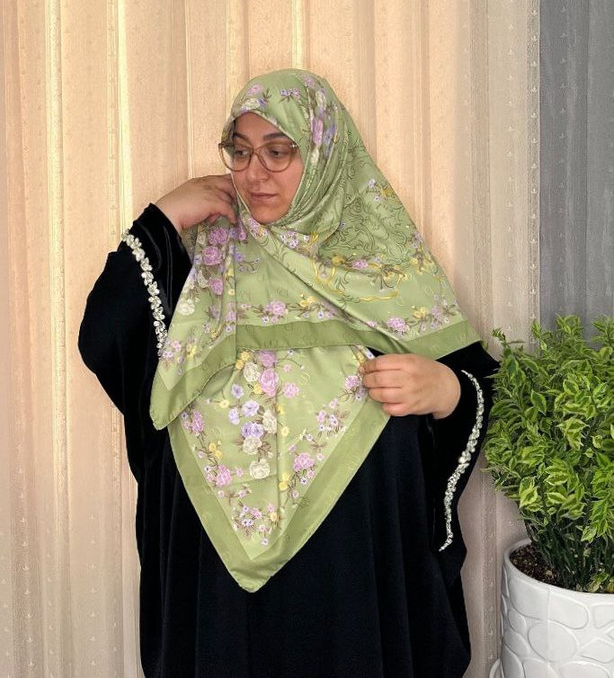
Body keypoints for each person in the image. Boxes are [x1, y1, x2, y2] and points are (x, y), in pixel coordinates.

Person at [79, 69, 498, 677]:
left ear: (324, 154)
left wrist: (447, 390)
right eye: (241, 151)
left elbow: (478, 384)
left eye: (278, 152)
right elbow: (107, 338)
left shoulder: (386, 264)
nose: (255, 173)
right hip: (221, 598)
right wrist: (163, 217)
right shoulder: (203, 264)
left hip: (353, 576)